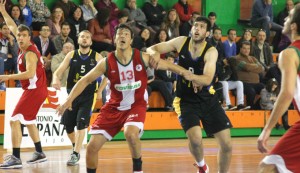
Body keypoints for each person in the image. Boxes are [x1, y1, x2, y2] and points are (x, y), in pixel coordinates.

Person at [56, 24, 189, 173]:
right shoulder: (106, 62)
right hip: (113, 107)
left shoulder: (142, 57)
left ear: (131, 40)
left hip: (136, 105)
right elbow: (84, 80)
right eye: (119, 34)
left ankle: (138, 170)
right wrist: (68, 100)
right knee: (92, 147)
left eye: (126, 34)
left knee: (130, 133)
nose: (122, 36)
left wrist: (190, 75)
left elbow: (170, 67)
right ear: (114, 39)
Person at [147, 16, 232, 173]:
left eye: (201, 27)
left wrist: (190, 76)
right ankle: (201, 166)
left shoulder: (211, 51)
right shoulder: (181, 41)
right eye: (195, 26)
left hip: (208, 99)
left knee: (227, 145)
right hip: (185, 99)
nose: (197, 29)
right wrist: (155, 54)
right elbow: (152, 49)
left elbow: (207, 79)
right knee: (195, 138)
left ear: (207, 33)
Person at [0, 0, 47, 168]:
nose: (19, 37)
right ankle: (39, 152)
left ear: (29, 37)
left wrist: (6, 78)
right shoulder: (24, 46)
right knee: (29, 120)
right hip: (37, 90)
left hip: (34, 90)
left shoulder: (30, 53)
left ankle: (16, 157)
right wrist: (3, 11)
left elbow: (30, 73)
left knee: (13, 120)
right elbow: (13, 26)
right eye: (18, 35)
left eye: (23, 36)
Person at [257, 4, 300, 172]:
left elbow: (287, 92)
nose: (284, 19)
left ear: (294, 26)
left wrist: (267, 129)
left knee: (268, 167)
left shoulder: (290, 53)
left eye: (288, 16)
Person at [52, 30, 103, 166]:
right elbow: (58, 71)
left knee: (81, 124)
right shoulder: (71, 55)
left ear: (91, 42)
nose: (85, 39)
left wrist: (100, 91)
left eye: (87, 37)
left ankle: (75, 153)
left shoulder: (97, 57)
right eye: (82, 37)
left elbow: (107, 76)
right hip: (72, 96)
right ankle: (77, 146)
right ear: (78, 40)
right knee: (68, 126)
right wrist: (55, 78)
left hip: (88, 96)